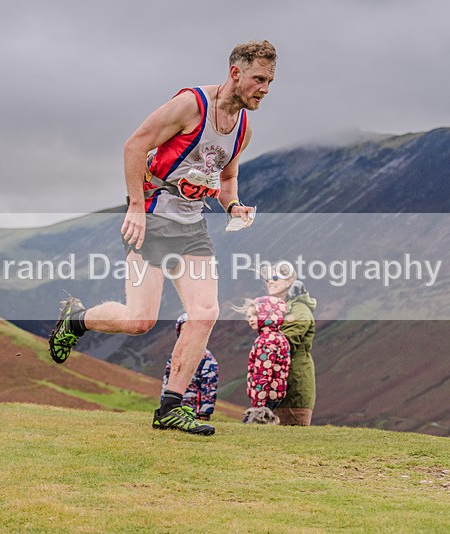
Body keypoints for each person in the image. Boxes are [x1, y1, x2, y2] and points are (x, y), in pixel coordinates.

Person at [48, 40, 277, 435]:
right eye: (259, 79)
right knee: (140, 320)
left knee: (205, 312)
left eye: (270, 81)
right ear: (236, 73)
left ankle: (170, 407)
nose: (265, 89)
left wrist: (234, 206)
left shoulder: (243, 129)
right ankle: (77, 320)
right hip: (152, 220)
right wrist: (135, 205)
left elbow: (226, 178)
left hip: (191, 228)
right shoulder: (191, 105)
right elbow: (135, 144)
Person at [263, 264, 317, 426]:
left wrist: (262, 347)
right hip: (277, 383)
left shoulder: (300, 309)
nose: (269, 282)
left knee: (292, 439)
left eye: (275, 278)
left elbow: (286, 342)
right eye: (267, 279)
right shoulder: (279, 309)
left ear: (289, 282)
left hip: (294, 385)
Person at [237, 296, 290, 424]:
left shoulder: (266, 340)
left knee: (254, 425)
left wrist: (257, 404)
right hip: (273, 392)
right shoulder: (278, 336)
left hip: (264, 396)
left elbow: (263, 373)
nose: (250, 319)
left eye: (255, 315)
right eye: (249, 316)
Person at [160, 313, 218, 421]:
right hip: (174, 410)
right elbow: (166, 382)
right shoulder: (175, 356)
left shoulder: (207, 359)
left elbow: (209, 386)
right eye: (183, 330)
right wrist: (164, 404)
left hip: (194, 412)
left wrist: (205, 412)